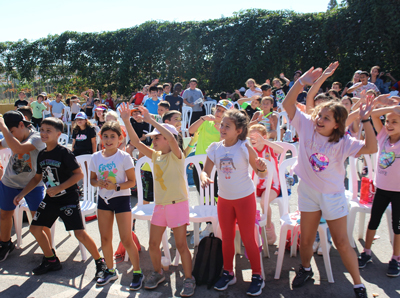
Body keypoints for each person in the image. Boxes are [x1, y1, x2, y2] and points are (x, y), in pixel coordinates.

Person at [282, 64, 377, 298]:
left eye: (326, 118)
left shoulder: (343, 142)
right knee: (305, 239)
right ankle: (305, 269)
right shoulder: (306, 126)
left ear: (337, 124)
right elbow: (287, 104)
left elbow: (372, 147)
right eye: (320, 116)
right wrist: (301, 83)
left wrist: (366, 121)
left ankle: (358, 284)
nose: (320, 120)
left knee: (342, 242)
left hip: (332, 195)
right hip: (307, 191)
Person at [12, 117, 107, 276]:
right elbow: (37, 178)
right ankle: (51, 259)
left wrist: (59, 188)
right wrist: (22, 193)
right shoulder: (41, 154)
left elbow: (78, 175)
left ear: (59, 134)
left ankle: (100, 262)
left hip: (68, 198)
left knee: (79, 233)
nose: (43, 133)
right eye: (42, 130)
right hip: (51, 199)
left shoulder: (64, 153)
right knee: (35, 228)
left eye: (48, 131)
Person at [119, 103, 196, 297]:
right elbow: (136, 143)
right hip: (160, 206)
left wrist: (151, 120)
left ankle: (188, 278)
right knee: (154, 244)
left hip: (178, 204)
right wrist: (126, 120)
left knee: (181, 245)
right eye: (153, 138)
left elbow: (171, 137)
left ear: (170, 141)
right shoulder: (155, 156)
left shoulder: (178, 155)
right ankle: (158, 273)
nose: (154, 140)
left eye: (157, 137)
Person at [200, 109, 267, 296]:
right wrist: (204, 176)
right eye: (222, 124)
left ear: (239, 130)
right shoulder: (215, 148)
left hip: (245, 199)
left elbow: (261, 172)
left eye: (227, 126)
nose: (222, 128)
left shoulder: (244, 147)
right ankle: (229, 272)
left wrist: (262, 169)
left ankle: (257, 275)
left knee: (248, 238)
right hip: (224, 200)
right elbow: (206, 169)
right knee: (226, 238)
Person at [89, 120, 142, 288]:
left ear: (120, 139)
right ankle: (110, 271)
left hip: (121, 200)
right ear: (100, 138)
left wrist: (116, 186)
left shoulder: (124, 157)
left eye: (113, 136)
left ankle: (137, 272)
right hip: (103, 201)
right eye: (105, 136)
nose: (109, 140)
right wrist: (98, 184)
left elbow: (132, 182)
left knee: (126, 239)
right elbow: (91, 180)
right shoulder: (95, 157)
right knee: (105, 238)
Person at [358, 103, 400, 277]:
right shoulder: (383, 136)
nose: (389, 125)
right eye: (388, 121)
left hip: (398, 192)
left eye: (394, 121)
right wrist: (395, 106)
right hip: (381, 188)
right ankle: (366, 252)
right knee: (373, 220)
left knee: (397, 226)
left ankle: (396, 258)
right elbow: (374, 114)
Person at [0, 111, 47, 262]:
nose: (10, 136)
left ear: (22, 125)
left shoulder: (37, 138)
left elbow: (19, 148)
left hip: (33, 184)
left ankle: (49, 252)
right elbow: (4, 144)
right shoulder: (13, 136)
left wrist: (2, 127)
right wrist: (7, 133)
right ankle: (6, 243)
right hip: (10, 182)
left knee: (38, 218)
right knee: (4, 215)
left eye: (12, 132)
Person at [249, 124, 283, 244]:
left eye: (256, 137)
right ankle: (249, 230)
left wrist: (265, 142)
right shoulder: (251, 151)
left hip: (272, 185)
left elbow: (281, 150)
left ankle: (268, 228)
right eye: (250, 137)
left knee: (264, 202)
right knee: (246, 202)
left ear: (263, 137)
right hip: (256, 185)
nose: (252, 140)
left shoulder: (269, 149)